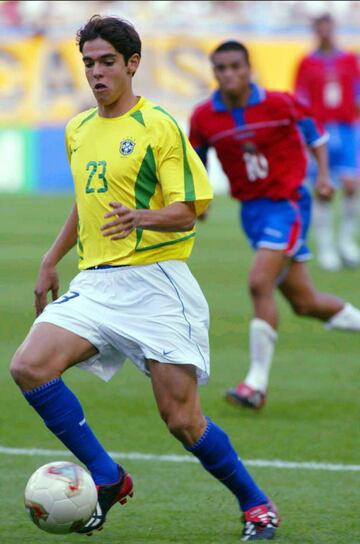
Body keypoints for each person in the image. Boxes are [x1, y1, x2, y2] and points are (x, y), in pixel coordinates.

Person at [9, 17, 280, 542]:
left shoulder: (159, 126)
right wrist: (50, 256)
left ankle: (256, 504)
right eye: (88, 62)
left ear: (133, 64)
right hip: (97, 283)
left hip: (158, 284)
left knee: (181, 420)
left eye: (107, 61)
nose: (96, 72)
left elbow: (189, 210)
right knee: (29, 366)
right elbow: (85, 203)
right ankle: (108, 477)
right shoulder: (79, 128)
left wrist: (142, 216)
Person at [189, 40, 360, 410]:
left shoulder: (279, 103)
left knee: (258, 282)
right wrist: (200, 201)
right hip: (252, 213)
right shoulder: (205, 117)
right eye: (221, 68)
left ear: (250, 68)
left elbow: (315, 133)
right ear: (214, 72)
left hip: (288, 205)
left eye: (237, 66)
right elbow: (197, 159)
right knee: (305, 302)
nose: (230, 74)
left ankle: (256, 384)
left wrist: (325, 176)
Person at [294, 13, 360, 271]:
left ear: (334, 30)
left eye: (328, 28)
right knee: (322, 190)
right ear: (314, 31)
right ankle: (326, 247)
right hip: (320, 132)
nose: (324, 33)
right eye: (319, 29)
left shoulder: (349, 60)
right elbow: (301, 100)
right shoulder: (306, 63)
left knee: (351, 185)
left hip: (346, 130)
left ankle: (346, 242)